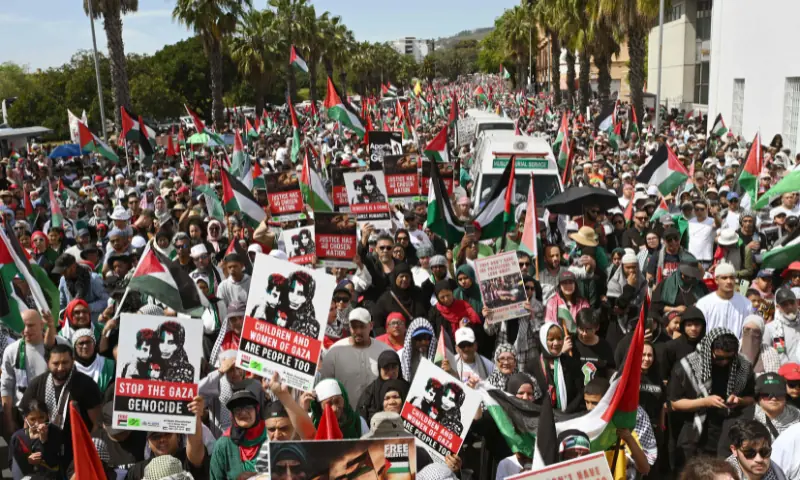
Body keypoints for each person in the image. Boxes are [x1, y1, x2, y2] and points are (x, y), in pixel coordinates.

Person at [668, 327, 755, 470]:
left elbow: (752, 399)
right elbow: (674, 403)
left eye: (729, 358)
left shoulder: (743, 366)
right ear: (710, 350)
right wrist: (704, 402)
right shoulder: (687, 366)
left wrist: (739, 400)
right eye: (719, 358)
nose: (724, 362)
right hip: (695, 434)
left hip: (728, 434)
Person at [1, 310, 62, 438]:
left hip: (55, 415)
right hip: (24, 416)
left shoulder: (60, 344)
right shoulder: (11, 350)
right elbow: (6, 387)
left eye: (31, 325)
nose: (26, 330)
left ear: (41, 324)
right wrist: (9, 420)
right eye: (23, 326)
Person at [583, 377, 656, 479]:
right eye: (587, 402)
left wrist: (628, 439)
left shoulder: (622, 426)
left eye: (595, 403)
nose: (590, 407)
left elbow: (644, 468)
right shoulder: (583, 426)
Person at [320, 308, 391, 410]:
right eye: (354, 327)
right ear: (349, 327)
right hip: (345, 417)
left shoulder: (385, 351)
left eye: (362, 327)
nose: (358, 331)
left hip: (377, 416)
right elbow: (325, 386)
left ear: (371, 326)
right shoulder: (334, 351)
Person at [124, 396, 208, 480]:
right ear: (148, 442)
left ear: (178, 436)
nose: (162, 439)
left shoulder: (188, 460)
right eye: (155, 436)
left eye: (167, 434)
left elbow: (196, 446)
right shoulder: (136, 472)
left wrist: (194, 416)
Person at [210, 389, 270, 479]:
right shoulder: (223, 445)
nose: (243, 413)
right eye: (237, 409)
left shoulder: (271, 436)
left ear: (256, 410)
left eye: (248, 407)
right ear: (232, 414)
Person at [528, 323, 584, 412]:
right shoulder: (533, 365)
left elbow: (580, 393)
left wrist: (566, 412)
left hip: (568, 416)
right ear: (543, 340)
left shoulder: (571, 363)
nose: (556, 343)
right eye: (551, 339)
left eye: (559, 339)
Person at [9, 398, 65, 479]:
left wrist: (44, 441)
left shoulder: (55, 433)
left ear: (47, 416)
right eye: (32, 419)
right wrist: (27, 461)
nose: (37, 423)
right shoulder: (18, 437)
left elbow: (54, 462)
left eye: (41, 417)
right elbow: (13, 464)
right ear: (25, 418)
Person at [696, 263, 752, 338]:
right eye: (724, 278)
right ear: (716, 280)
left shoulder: (746, 304)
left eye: (732, 278)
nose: (729, 281)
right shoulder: (704, 304)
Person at [370, 262, 428, 333]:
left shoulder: (418, 293)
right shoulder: (385, 299)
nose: (404, 279)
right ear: (395, 278)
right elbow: (378, 324)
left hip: (418, 338)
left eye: (407, 276)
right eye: (402, 276)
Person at [54, 253, 108, 325]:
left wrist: (87, 307)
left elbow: (106, 301)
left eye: (64, 271)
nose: (62, 274)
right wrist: (63, 313)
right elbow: (61, 303)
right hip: (72, 326)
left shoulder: (94, 279)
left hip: (95, 326)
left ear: (73, 267)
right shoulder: (63, 280)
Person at [356, 350, 403, 424]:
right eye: (386, 368)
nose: (390, 372)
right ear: (379, 369)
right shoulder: (370, 392)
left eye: (394, 367)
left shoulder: (408, 389)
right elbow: (361, 420)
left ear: (399, 367)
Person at [429, 279, 481, 345]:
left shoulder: (463, 306)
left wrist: (466, 327)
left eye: (448, 295)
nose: (446, 299)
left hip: (465, 346)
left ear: (452, 292)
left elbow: (476, 326)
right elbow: (433, 333)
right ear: (437, 298)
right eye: (442, 297)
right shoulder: (434, 312)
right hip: (446, 350)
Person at [573, 309, 615, 383]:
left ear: (597, 327)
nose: (584, 333)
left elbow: (610, 371)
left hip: (598, 392)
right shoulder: (572, 344)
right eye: (581, 329)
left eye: (588, 329)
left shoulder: (605, 346)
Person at [71, 328, 115, 394]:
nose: (85, 346)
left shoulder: (109, 364)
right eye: (81, 343)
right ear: (75, 347)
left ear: (94, 344)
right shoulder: (69, 368)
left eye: (88, 342)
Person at [764, 289, 800, 364]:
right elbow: (768, 356)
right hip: (785, 373)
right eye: (784, 304)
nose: (790, 307)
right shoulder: (773, 329)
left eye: (792, 303)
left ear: (796, 303)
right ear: (777, 307)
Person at [399, 318, 438, 382]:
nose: (423, 342)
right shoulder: (401, 356)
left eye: (427, 338)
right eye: (418, 338)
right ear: (411, 339)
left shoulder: (438, 355)